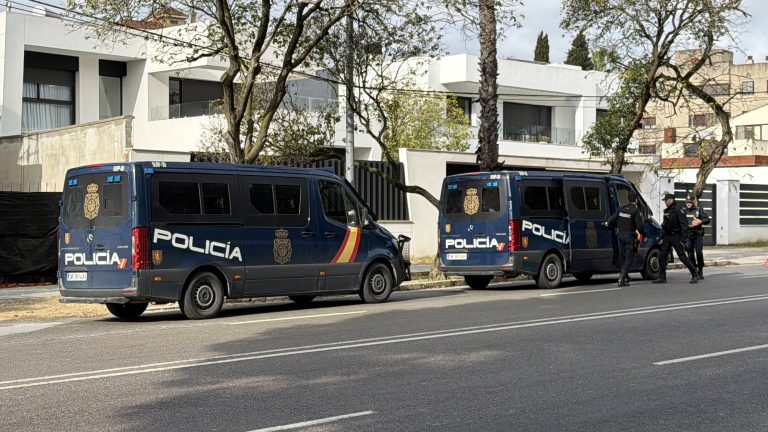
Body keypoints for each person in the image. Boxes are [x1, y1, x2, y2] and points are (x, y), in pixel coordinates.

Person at [653, 193, 701, 284]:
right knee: (662, 255)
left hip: (676, 236)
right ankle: (662, 277)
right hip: (667, 236)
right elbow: (664, 225)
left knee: (682, 256)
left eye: (666, 201)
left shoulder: (679, 209)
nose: (665, 203)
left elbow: (685, 225)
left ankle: (695, 274)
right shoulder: (667, 211)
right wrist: (660, 237)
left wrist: (684, 239)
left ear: (670, 200)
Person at [605, 193, 646, 287]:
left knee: (622, 257)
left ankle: (626, 277)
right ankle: (622, 277)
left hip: (620, 236)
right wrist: (644, 234)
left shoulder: (621, 209)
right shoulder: (635, 210)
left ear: (628, 200)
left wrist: (607, 223)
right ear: (636, 200)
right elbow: (640, 226)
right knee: (629, 258)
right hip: (629, 237)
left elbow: (612, 219)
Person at [685, 195, 710, 279]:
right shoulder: (683, 211)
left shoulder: (699, 210)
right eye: (687, 202)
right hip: (688, 235)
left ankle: (700, 270)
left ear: (693, 202)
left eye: (690, 202)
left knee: (699, 253)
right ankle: (694, 270)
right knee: (690, 254)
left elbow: (707, 219)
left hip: (697, 235)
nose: (688, 204)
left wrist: (700, 221)